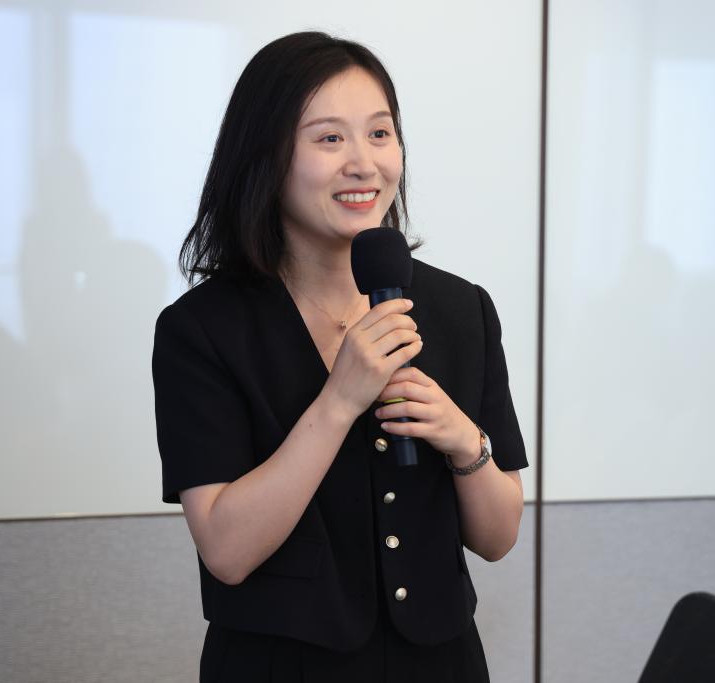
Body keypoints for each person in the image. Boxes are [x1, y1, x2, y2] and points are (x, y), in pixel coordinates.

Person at [152, 31, 528, 682]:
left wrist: (465, 441)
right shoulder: (202, 330)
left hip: (440, 663)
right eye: (329, 139)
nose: (364, 163)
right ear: (265, 155)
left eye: (380, 134)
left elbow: (497, 539)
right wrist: (339, 400)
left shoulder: (461, 309)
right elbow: (227, 551)